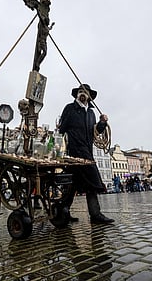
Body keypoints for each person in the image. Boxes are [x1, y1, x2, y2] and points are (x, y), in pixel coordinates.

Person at [58, 84, 114, 224]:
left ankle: (62, 211)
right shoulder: (70, 108)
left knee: (73, 184)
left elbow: (95, 132)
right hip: (76, 151)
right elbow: (61, 129)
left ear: (89, 96)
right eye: (80, 91)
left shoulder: (91, 113)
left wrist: (102, 123)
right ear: (77, 95)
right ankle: (95, 214)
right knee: (94, 180)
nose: (83, 93)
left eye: (85, 92)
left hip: (87, 150)